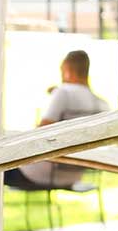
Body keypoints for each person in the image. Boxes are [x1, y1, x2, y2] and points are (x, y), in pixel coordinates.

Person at [8, 50, 112, 188]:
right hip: (75, 174)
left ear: (68, 70)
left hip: (43, 173)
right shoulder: (102, 104)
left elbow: (41, 131)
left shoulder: (64, 92)